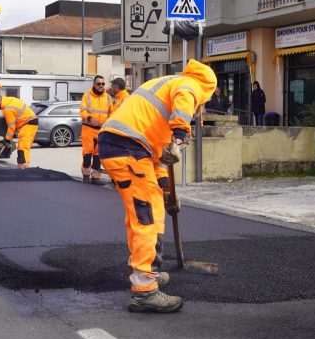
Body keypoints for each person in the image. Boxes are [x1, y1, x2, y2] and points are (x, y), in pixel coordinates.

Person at [97, 59, 216, 313]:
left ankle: (147, 270)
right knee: (146, 219)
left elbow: (158, 156)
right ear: (207, 89)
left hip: (125, 148)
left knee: (144, 214)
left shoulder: (163, 89)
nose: (200, 106)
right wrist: (179, 137)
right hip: (128, 149)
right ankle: (144, 291)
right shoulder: (189, 85)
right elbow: (184, 105)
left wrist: (166, 189)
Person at [80, 75, 115, 184]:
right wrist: (89, 117)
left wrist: (109, 124)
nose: (101, 86)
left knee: (98, 155)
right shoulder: (87, 95)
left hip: (101, 130)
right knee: (87, 154)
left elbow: (111, 113)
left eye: (103, 84)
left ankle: (96, 178)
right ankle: (86, 175)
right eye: (99, 84)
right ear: (94, 84)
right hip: (88, 128)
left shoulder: (108, 97)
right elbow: (82, 111)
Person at [0, 95, 38, 168]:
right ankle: (24, 166)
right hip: (30, 123)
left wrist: (7, 139)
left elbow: (11, 126)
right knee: (25, 147)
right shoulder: (12, 100)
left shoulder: (8, 109)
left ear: (0, 101)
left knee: (23, 147)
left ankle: (23, 167)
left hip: (28, 124)